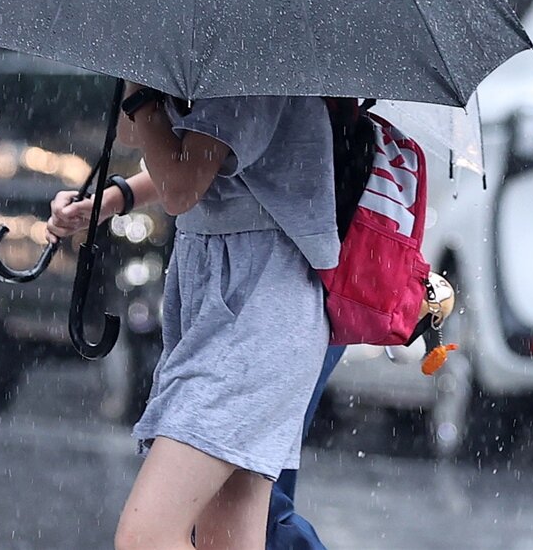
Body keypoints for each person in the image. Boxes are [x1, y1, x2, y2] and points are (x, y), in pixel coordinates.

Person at [47, 90, 337, 550]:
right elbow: (147, 139)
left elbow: (183, 186)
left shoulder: (247, 54)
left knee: (148, 536)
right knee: (227, 540)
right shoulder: (218, 55)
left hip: (257, 312)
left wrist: (139, 97)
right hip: (237, 304)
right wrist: (114, 197)